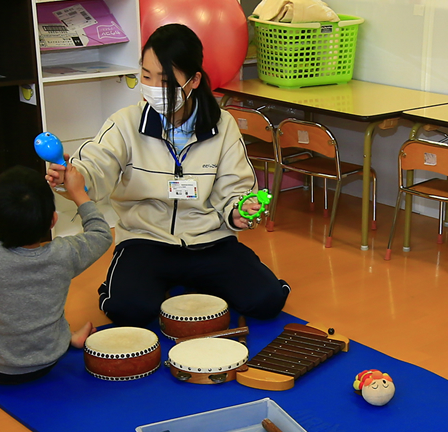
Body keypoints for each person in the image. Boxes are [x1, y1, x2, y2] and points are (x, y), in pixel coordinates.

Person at [45, 23, 290, 327]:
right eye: (146, 76)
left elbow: (235, 189)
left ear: (194, 80)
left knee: (267, 300)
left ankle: (196, 282)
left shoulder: (222, 125)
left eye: (165, 79)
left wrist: (238, 211)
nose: (153, 87)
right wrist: (74, 176)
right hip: (146, 240)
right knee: (127, 310)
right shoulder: (126, 123)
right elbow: (96, 167)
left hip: (209, 240)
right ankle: (167, 284)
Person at [0, 165, 112, 385]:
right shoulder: (64, 254)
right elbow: (101, 233)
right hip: (50, 359)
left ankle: (64, 339)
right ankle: (67, 339)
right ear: (52, 220)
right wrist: (78, 193)